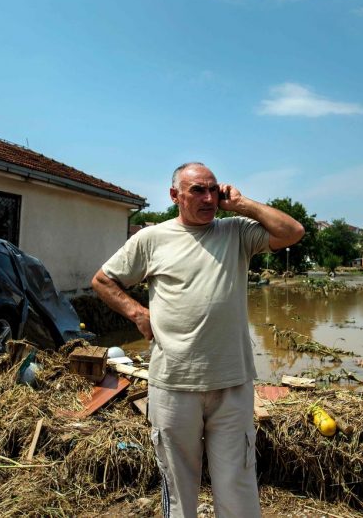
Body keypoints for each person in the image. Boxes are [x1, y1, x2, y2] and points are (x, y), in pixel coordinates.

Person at [91, 162, 304, 518]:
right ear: (175, 195)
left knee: (237, 481)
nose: (208, 198)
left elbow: (293, 231)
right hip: (174, 383)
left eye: (213, 190)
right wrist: (139, 314)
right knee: (178, 484)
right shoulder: (151, 238)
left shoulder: (236, 232)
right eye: (197, 190)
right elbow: (103, 280)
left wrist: (243, 205)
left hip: (232, 381)